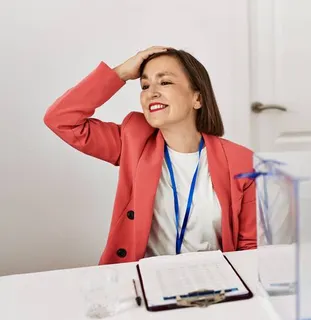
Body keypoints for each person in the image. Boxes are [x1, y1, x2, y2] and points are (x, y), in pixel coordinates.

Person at [44, 46, 256, 265]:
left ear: (197, 99)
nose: (151, 92)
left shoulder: (242, 162)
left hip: (213, 283)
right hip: (143, 282)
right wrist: (121, 73)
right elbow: (61, 119)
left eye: (164, 82)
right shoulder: (133, 140)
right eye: (145, 85)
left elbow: (249, 248)